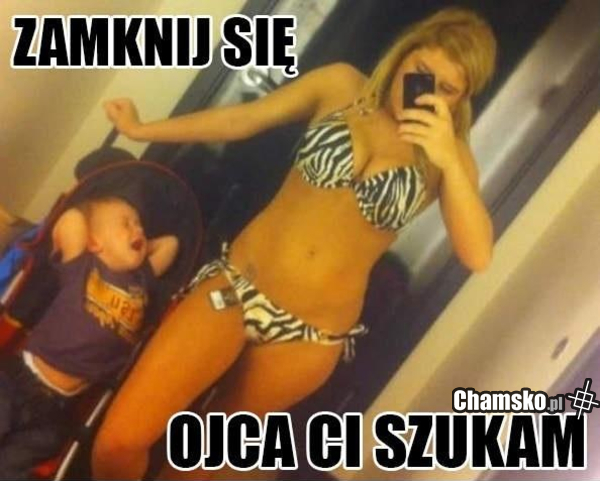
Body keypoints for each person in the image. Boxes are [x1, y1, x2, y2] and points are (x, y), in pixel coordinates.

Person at [93, 7, 496, 480]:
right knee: (119, 442)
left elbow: (478, 254)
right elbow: (242, 119)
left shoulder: (449, 158)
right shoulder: (341, 85)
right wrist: (143, 129)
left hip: (310, 338)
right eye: (422, 71)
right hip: (238, 287)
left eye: (446, 88)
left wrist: (448, 158)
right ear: (406, 52)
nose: (425, 90)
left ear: (461, 99)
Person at [0, 197, 178, 480]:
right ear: (95, 242)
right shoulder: (82, 266)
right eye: (126, 223)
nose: (138, 229)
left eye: (140, 225)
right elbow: (71, 218)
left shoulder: (142, 281)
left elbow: (171, 244)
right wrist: (94, 230)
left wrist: (136, 241)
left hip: (58, 410)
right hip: (19, 381)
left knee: (14, 467)